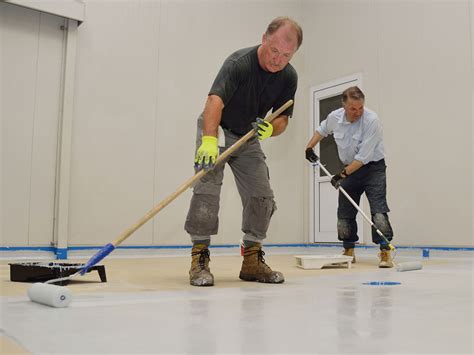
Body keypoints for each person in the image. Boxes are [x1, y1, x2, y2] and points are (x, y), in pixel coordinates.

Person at [184, 17, 303, 286]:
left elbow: (283, 117)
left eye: (286, 55)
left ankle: (252, 259)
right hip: (218, 127)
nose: (278, 60)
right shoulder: (239, 63)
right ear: (264, 39)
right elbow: (214, 101)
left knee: (262, 195)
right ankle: (199, 259)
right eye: (274, 51)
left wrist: (271, 129)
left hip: (249, 135)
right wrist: (210, 141)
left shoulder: (288, 77)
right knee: (207, 190)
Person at [305, 86, 394, 268]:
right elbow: (322, 130)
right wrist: (309, 147)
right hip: (350, 168)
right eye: (353, 109)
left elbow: (363, 157)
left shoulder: (372, 121)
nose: (358, 112)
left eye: (361, 108)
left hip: (372, 168)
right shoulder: (335, 117)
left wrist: (341, 175)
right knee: (344, 213)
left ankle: (385, 251)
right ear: (344, 106)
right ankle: (348, 251)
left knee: (378, 211)